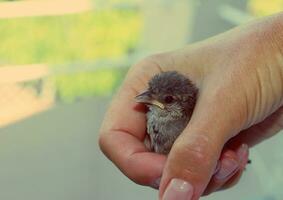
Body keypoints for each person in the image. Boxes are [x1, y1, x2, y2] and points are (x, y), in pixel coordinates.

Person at [99, 12, 283, 200]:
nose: (150, 100)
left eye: (167, 100)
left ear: (183, 105)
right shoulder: (152, 116)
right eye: (151, 94)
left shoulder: (187, 122)